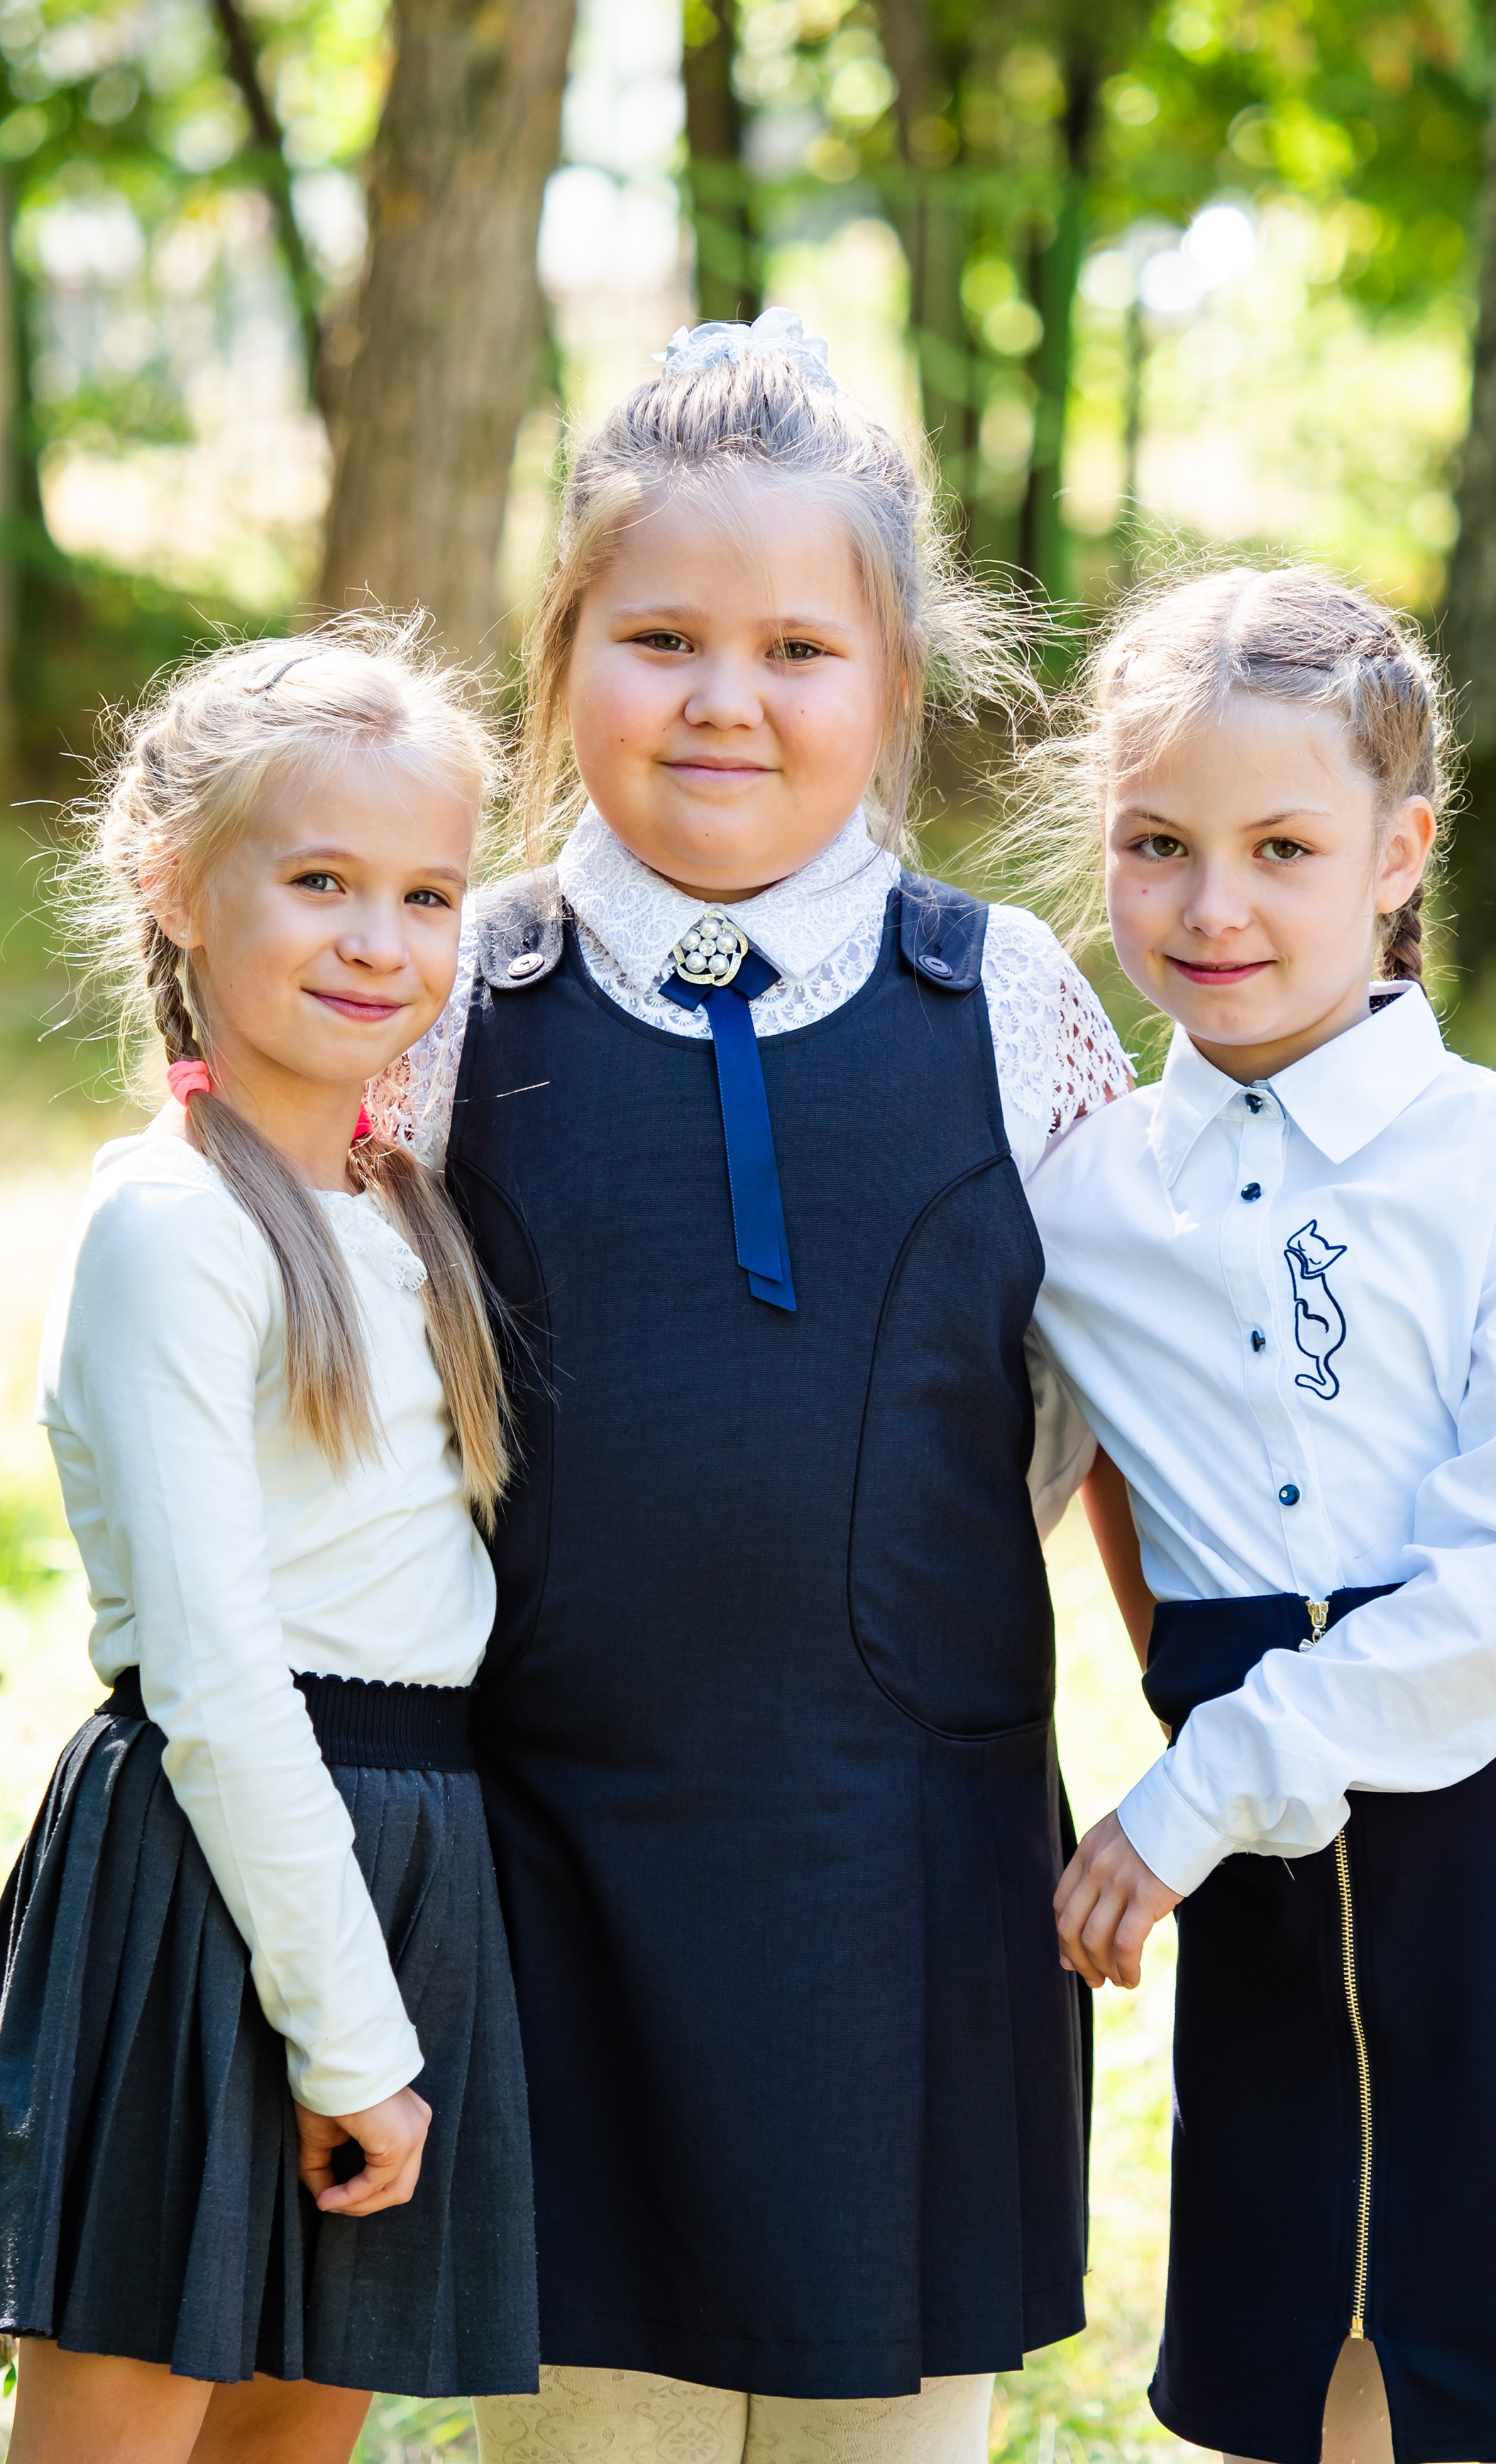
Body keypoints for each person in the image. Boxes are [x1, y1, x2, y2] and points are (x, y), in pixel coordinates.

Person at [389, 310, 1131, 2463]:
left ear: (894, 680)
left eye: (800, 648)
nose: (728, 697)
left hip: (909, 1871)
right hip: (554, 1868)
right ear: (563, 652)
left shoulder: (1004, 1000)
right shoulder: (457, 991)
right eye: (663, 640)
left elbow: (1123, 1412)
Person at [1028, 565, 1496, 2464]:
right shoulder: (1080, 1200)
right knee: (1304, 2335)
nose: (1211, 907)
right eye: (1156, 845)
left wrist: (1195, 1785)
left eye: (1282, 848)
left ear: (1399, 853)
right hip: (1254, 1851)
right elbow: (1044, 1483)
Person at [0, 624, 539, 2464]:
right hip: (218, 1863)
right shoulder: (174, 1226)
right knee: (134, 2410)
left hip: (413, 1851)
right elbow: (221, 1678)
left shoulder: (407, 1208)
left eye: (426, 894)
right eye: (319, 881)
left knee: (298, 2423)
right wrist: (352, 2034)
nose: (378, 939)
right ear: (176, 880)